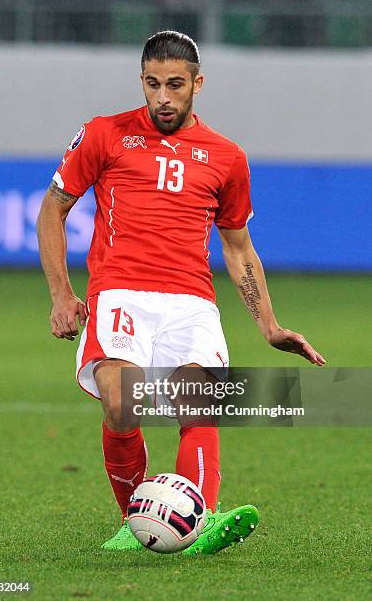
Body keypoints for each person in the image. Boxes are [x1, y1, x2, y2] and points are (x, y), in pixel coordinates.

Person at [37, 30, 325, 555]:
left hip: (191, 302)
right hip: (120, 292)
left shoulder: (227, 157)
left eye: (175, 85)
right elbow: (52, 209)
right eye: (152, 84)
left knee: (199, 405)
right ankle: (135, 522)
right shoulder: (103, 135)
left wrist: (269, 326)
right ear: (141, 81)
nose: (163, 98)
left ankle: (202, 523)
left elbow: (238, 249)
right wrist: (62, 294)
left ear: (197, 83)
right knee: (122, 406)